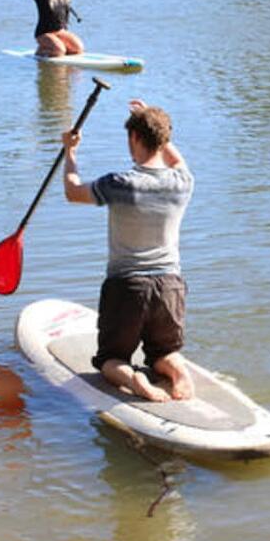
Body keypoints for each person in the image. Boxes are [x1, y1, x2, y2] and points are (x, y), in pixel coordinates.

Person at [61, 100, 194, 402]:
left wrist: (70, 151)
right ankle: (177, 372)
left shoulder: (119, 184)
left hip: (127, 286)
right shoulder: (183, 183)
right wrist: (152, 123)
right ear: (164, 140)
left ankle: (134, 381)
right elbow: (176, 161)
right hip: (170, 286)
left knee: (111, 359)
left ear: (134, 138)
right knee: (164, 352)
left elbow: (72, 190)